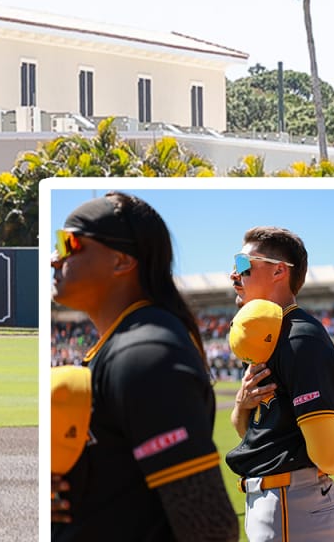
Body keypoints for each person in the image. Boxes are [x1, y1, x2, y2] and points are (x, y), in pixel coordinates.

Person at [48, 192, 236, 542]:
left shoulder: (146, 354)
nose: (54, 259)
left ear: (121, 261)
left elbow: (210, 527)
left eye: (69, 242)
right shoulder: (125, 345)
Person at [226, 226, 334, 542]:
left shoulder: (299, 337)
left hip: (292, 502)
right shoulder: (269, 335)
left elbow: (330, 458)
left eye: (242, 264)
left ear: (279, 270)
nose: (233, 274)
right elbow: (254, 434)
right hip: (281, 498)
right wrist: (241, 406)